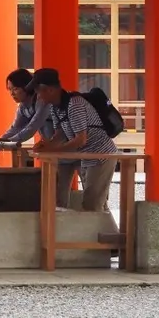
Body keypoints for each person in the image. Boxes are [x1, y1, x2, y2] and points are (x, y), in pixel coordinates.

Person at [28, 68, 118, 212]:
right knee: (96, 203)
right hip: (86, 157)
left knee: (92, 204)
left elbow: (80, 140)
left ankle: (102, 233)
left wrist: (51, 150)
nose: (38, 96)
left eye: (39, 91)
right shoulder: (56, 108)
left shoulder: (74, 104)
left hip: (101, 155)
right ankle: (105, 231)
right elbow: (59, 135)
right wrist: (46, 145)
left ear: (50, 90)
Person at [0, 68, 54, 144]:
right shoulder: (23, 107)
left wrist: (8, 142)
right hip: (52, 145)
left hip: (67, 142)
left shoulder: (42, 100)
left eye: (15, 89)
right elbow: (16, 128)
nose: (12, 93)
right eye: (9, 89)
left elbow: (32, 127)